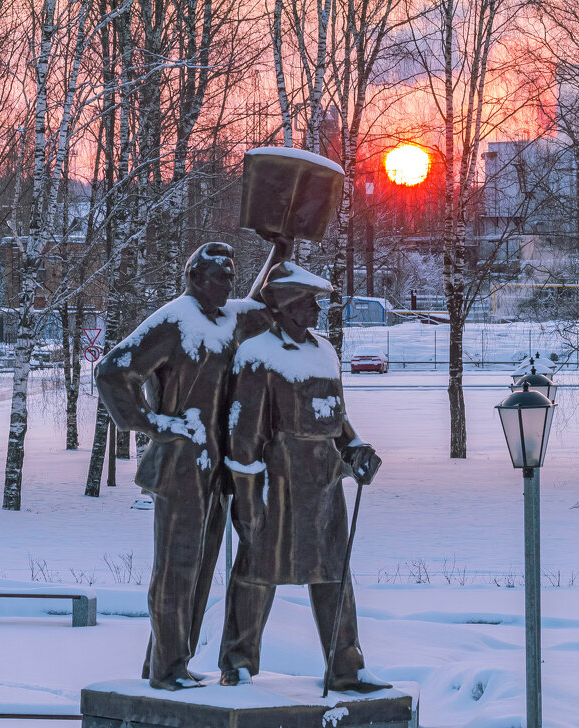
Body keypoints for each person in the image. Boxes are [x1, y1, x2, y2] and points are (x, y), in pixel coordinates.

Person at [95, 242, 275, 690]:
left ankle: (169, 660)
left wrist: (283, 243)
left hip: (214, 468)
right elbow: (112, 370)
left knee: (199, 568)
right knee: (176, 569)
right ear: (194, 277)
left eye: (231, 278)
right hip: (180, 465)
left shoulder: (228, 319)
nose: (227, 285)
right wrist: (155, 424)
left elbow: (264, 303)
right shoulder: (175, 320)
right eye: (218, 277)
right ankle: (167, 669)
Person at [218, 260, 391, 694]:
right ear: (289, 305)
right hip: (279, 482)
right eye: (310, 301)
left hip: (325, 483)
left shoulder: (325, 351)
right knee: (258, 572)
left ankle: (346, 667)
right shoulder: (258, 355)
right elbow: (244, 435)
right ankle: (237, 664)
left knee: (334, 575)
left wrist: (356, 448)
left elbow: (339, 417)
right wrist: (247, 496)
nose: (317, 308)